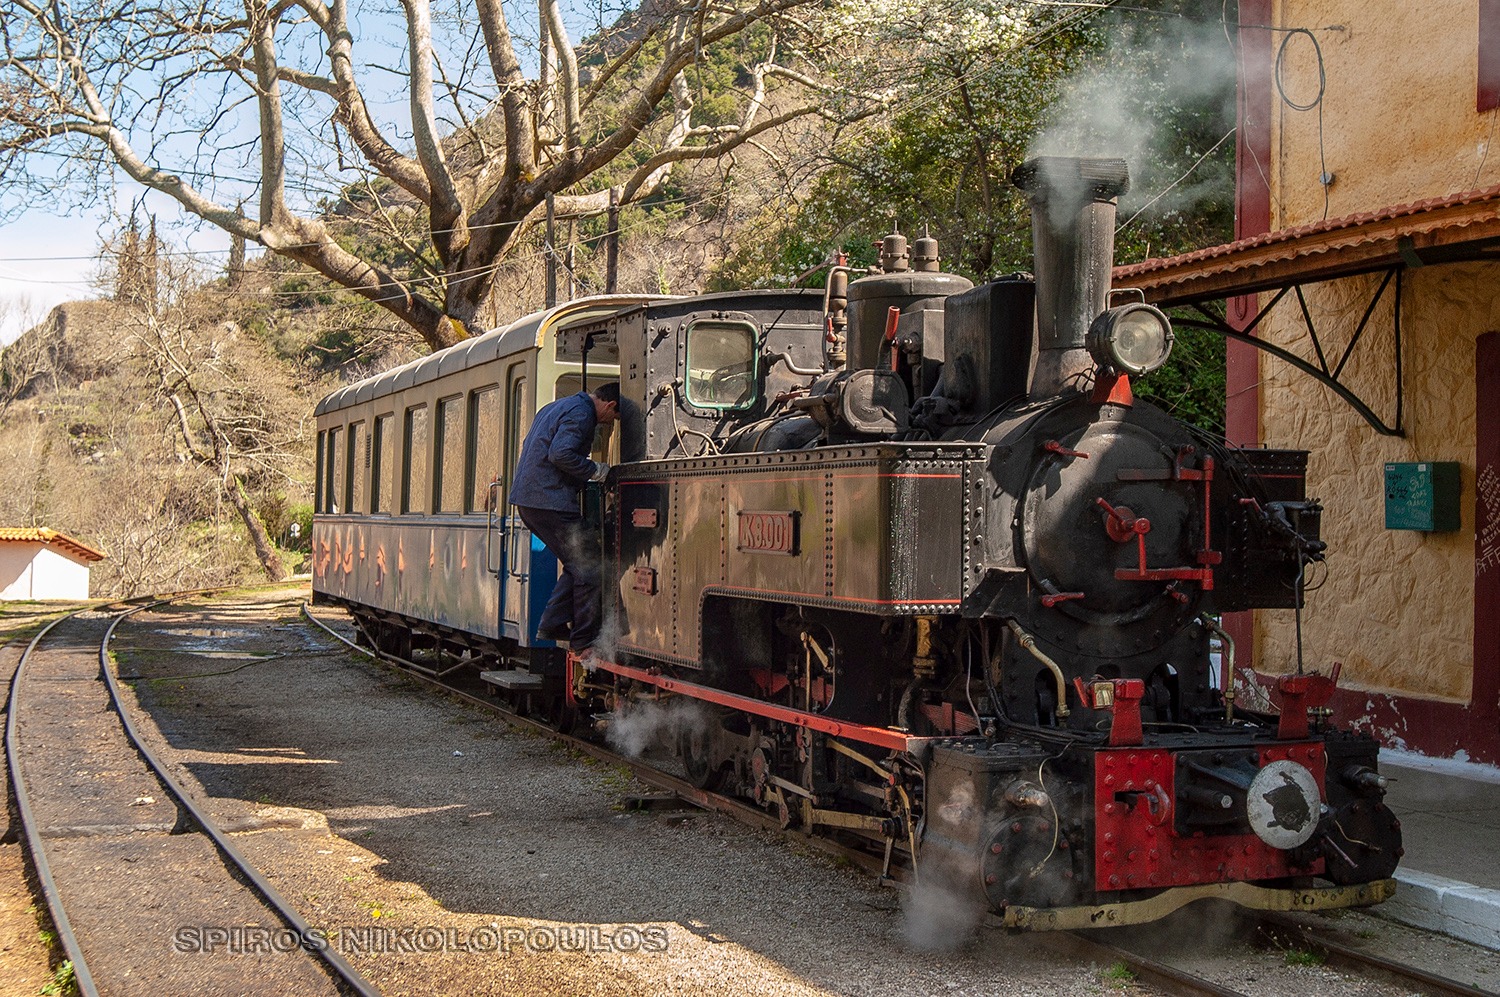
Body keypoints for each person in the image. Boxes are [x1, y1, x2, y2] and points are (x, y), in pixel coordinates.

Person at [509, 383, 620, 653]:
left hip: (531, 501)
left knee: (576, 563)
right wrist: (598, 471)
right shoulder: (582, 413)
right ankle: (582, 641)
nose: (609, 423)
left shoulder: (557, 406)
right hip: (550, 501)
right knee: (591, 566)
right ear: (610, 405)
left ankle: (553, 623)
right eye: (613, 418)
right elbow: (560, 454)